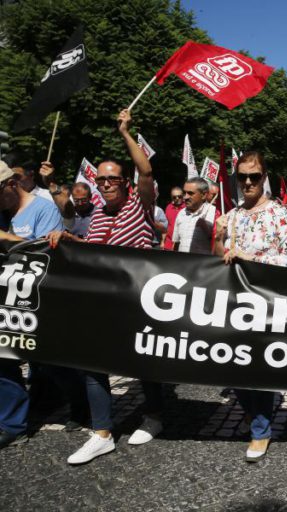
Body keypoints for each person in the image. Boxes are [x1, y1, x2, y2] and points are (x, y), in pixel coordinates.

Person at [48, 109, 164, 464]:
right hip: (102, 299)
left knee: (143, 360)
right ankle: (102, 433)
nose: (106, 184)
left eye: (112, 179)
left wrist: (125, 132)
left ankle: (155, 415)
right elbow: (94, 251)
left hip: (138, 297)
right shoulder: (97, 214)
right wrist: (67, 237)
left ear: (124, 181)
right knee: (92, 362)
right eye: (101, 180)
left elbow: (146, 170)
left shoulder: (141, 204)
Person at [214, 151, 287, 462]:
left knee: (257, 370)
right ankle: (251, 413)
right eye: (242, 177)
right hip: (232, 304)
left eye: (254, 176)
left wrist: (252, 260)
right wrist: (219, 237)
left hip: (265, 305)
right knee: (232, 367)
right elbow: (217, 258)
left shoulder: (279, 215)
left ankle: (261, 430)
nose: (248, 182)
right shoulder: (233, 215)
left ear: (264, 178)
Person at [0, 160, 67, 449]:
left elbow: (47, 256)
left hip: (32, 301)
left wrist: (7, 239)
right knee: (4, 360)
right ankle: (13, 423)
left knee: (42, 362)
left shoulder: (43, 209)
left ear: (11, 184)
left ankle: (53, 399)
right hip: (5, 300)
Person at [172, 177, 218, 254]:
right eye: (185, 193)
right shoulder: (181, 214)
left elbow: (219, 245)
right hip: (182, 264)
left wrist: (207, 229)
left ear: (203, 195)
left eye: (190, 193)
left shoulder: (214, 213)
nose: (185, 197)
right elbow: (176, 243)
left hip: (203, 265)